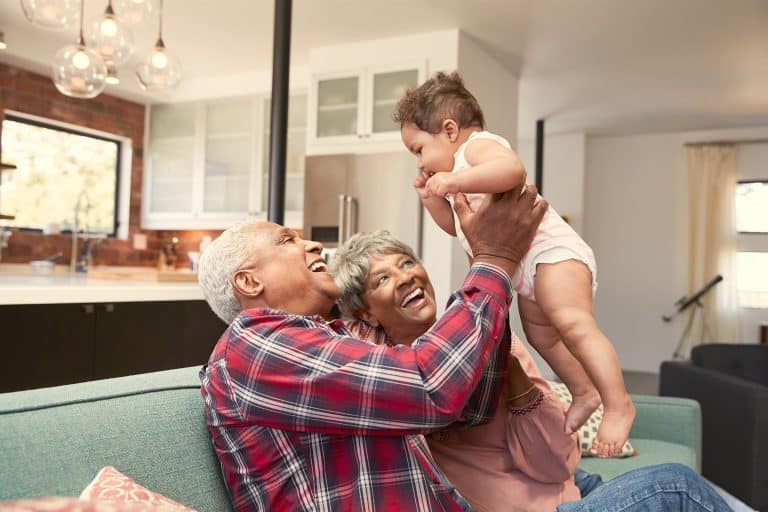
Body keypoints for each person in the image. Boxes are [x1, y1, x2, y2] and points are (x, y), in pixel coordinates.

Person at [197, 184, 548, 511]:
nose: (314, 245)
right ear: (248, 281)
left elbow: (469, 408)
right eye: (287, 240)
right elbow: (429, 387)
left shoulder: (327, 338)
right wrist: (493, 262)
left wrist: (486, 258)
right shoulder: (255, 345)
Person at [330, 229, 735, 512]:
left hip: (561, 484)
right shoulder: (378, 368)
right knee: (675, 485)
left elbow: (558, 464)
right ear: (366, 311)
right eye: (383, 278)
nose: (405, 277)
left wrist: (509, 370)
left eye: (406, 263)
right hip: (520, 504)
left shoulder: (482, 336)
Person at [394, 70, 634, 457]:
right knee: (543, 336)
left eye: (418, 149)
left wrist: (454, 182)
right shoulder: (457, 173)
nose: (419, 160)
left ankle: (619, 404)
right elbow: (455, 229)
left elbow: (513, 171)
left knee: (573, 324)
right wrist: (431, 199)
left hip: (550, 252)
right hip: (525, 268)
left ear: (450, 130)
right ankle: (583, 390)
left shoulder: (476, 149)